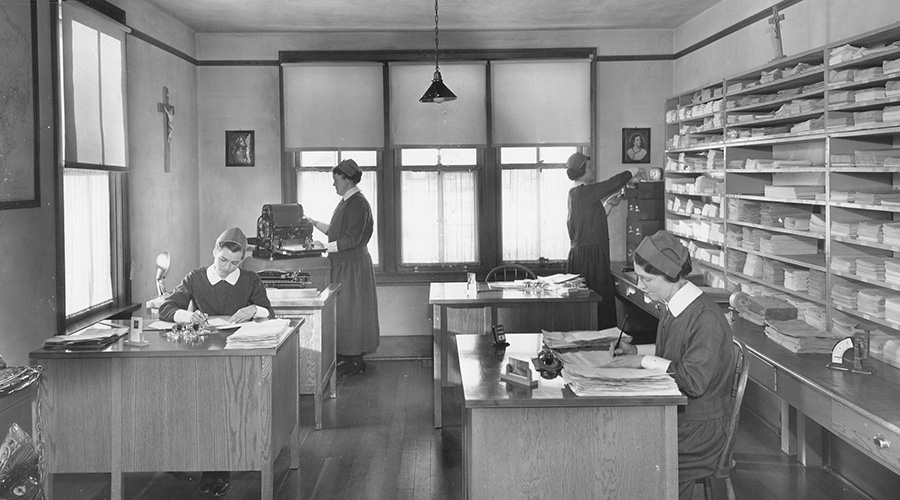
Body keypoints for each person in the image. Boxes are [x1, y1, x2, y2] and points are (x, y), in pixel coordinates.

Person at [605, 230, 735, 499]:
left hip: (701, 430)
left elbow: (694, 381)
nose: (641, 285)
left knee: (632, 456)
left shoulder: (705, 318)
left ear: (672, 276)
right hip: (683, 416)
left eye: (647, 279)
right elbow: (674, 357)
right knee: (619, 444)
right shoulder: (673, 305)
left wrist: (643, 361)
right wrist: (636, 351)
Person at [158, 226, 274, 498]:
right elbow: (166, 308)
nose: (226, 267)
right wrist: (189, 317)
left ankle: (217, 469)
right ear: (214, 251)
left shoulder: (250, 280)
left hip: (237, 355)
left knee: (226, 406)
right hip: (202, 352)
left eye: (234, 263)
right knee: (195, 404)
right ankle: (190, 459)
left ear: (242, 262)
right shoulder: (196, 277)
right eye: (222, 260)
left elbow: (269, 311)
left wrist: (253, 309)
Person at [307, 158, 379, 378]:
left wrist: (321, 247)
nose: (334, 184)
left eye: (336, 180)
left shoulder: (358, 203)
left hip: (353, 266)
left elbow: (352, 239)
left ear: (348, 180)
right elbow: (336, 232)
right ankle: (348, 357)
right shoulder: (347, 200)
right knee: (345, 312)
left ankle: (356, 360)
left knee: (352, 313)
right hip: (344, 264)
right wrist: (312, 222)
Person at [565, 152, 639, 329]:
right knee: (597, 307)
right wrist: (633, 170)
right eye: (590, 167)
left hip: (584, 255)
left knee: (593, 308)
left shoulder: (576, 194)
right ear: (582, 171)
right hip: (590, 259)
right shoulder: (583, 192)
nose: (593, 170)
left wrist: (607, 205)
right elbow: (610, 184)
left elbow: (588, 223)